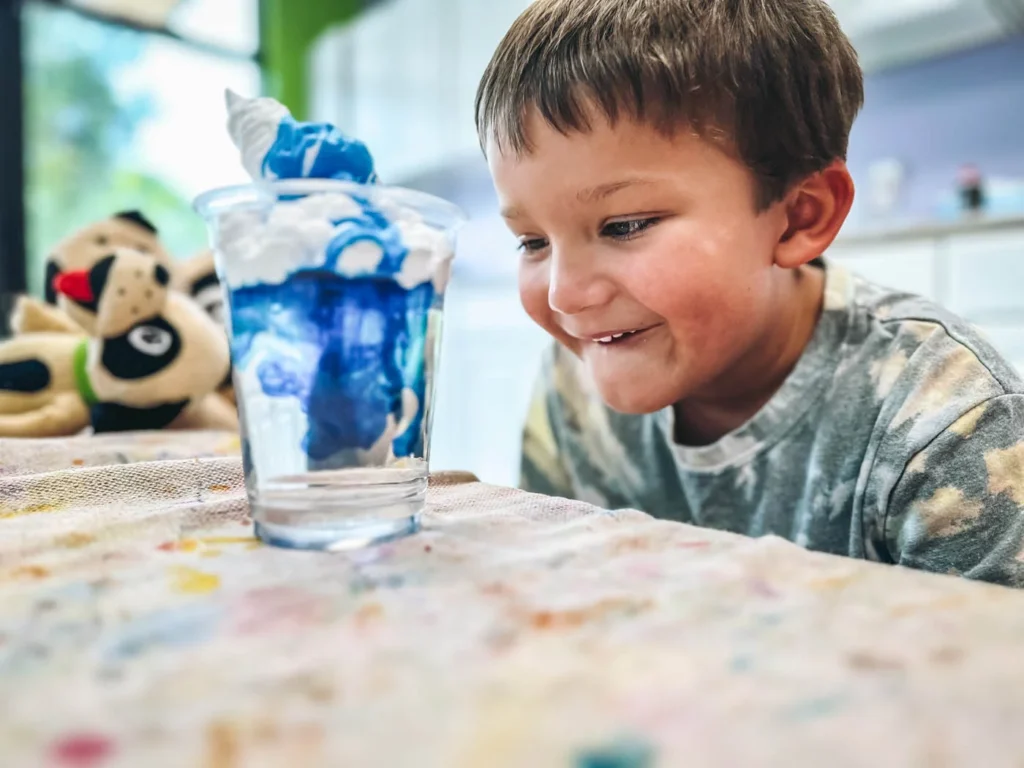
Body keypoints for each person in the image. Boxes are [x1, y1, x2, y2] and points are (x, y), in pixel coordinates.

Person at [474, 0, 1024, 587]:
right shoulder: (572, 386)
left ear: (796, 219)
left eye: (625, 225)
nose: (565, 295)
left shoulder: (948, 429)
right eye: (532, 241)